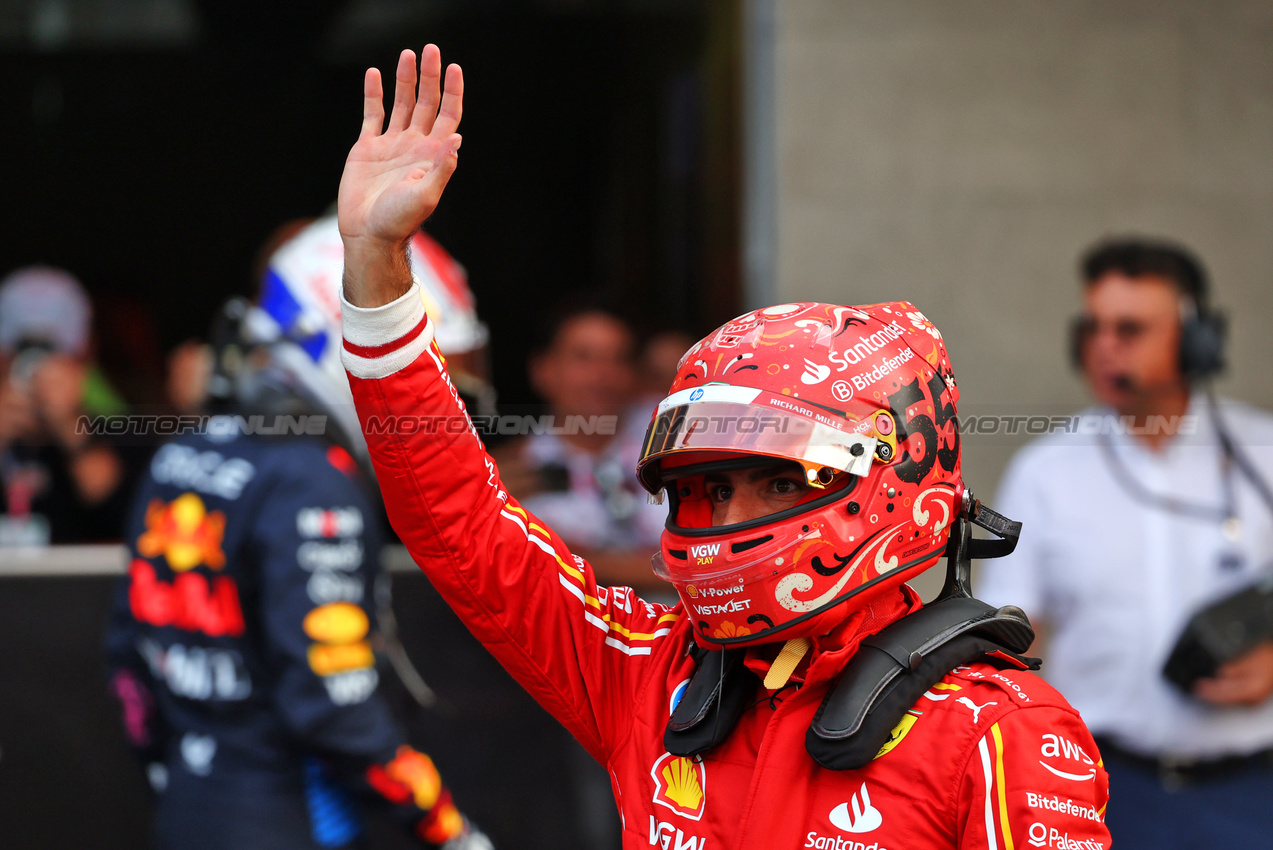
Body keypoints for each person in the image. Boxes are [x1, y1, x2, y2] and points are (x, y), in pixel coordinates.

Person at [334, 47, 1111, 849]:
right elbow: (459, 524)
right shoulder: (649, 675)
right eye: (702, 490)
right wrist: (374, 266)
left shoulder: (997, 733)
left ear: (899, 479)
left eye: (782, 482)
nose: (729, 517)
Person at [104, 214, 491, 850]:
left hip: (189, 809)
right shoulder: (313, 483)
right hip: (287, 820)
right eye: (420, 369)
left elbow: (126, 655)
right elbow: (333, 705)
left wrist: (174, 774)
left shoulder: (182, 454)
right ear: (341, 341)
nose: (435, 402)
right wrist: (450, 831)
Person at [977, 237, 1273, 847]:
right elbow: (1007, 635)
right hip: (1102, 788)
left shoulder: (1261, 453)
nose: (1104, 346)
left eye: (1130, 328)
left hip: (1252, 789)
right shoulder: (1047, 472)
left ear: (1196, 340)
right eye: (1094, 327)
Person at [0, 265, 136, 545]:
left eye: (52, 352)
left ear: (86, 355)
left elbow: (127, 520)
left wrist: (72, 429)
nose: (36, 370)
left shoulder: (118, 429)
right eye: (21, 352)